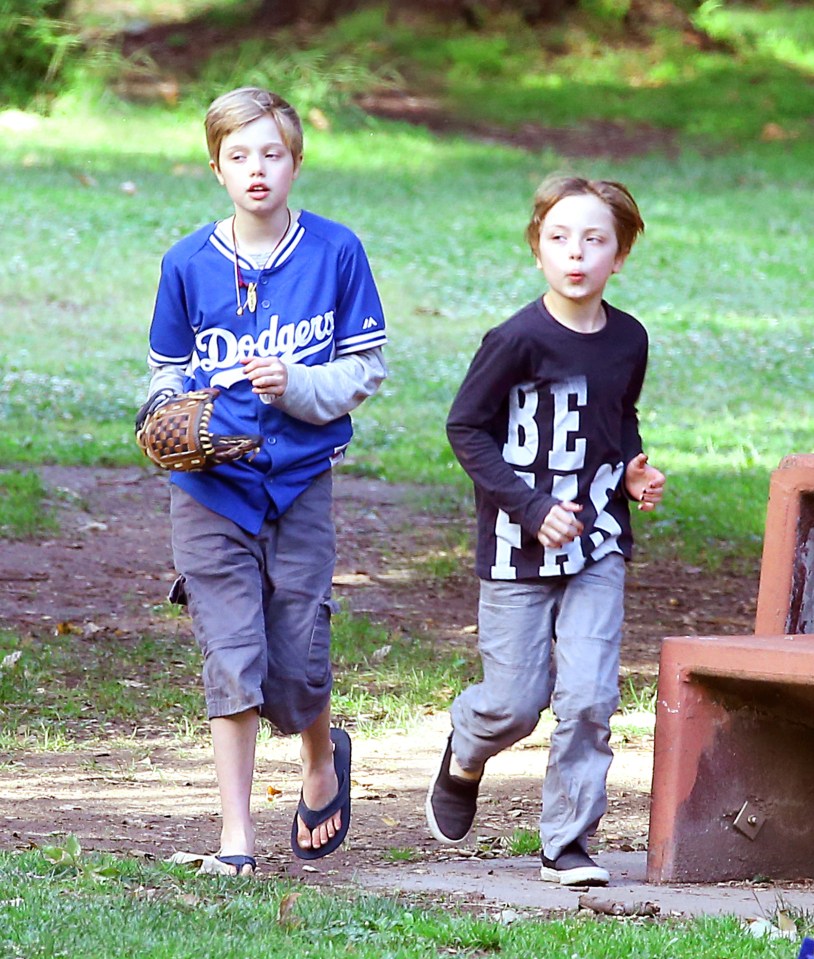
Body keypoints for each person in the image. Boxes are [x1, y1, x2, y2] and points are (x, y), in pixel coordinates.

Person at [140, 87, 387, 875]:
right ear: (215, 167)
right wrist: (164, 414)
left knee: (295, 659)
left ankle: (320, 755)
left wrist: (298, 387)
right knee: (233, 652)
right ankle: (237, 838)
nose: (256, 170)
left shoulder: (336, 251)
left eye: (272, 154)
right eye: (238, 156)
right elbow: (164, 372)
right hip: (212, 489)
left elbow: (365, 367)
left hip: (302, 477)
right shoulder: (186, 262)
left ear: (296, 162)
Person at [425, 174, 665, 887]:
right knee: (516, 702)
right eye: (559, 237)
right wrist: (530, 508)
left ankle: (567, 841)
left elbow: (618, 418)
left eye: (595, 239)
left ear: (619, 255)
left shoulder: (629, 339)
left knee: (590, 695)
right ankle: (467, 749)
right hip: (515, 548)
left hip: (597, 543)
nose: (577, 253)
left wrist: (630, 470)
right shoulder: (515, 340)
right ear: (537, 249)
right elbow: (464, 428)